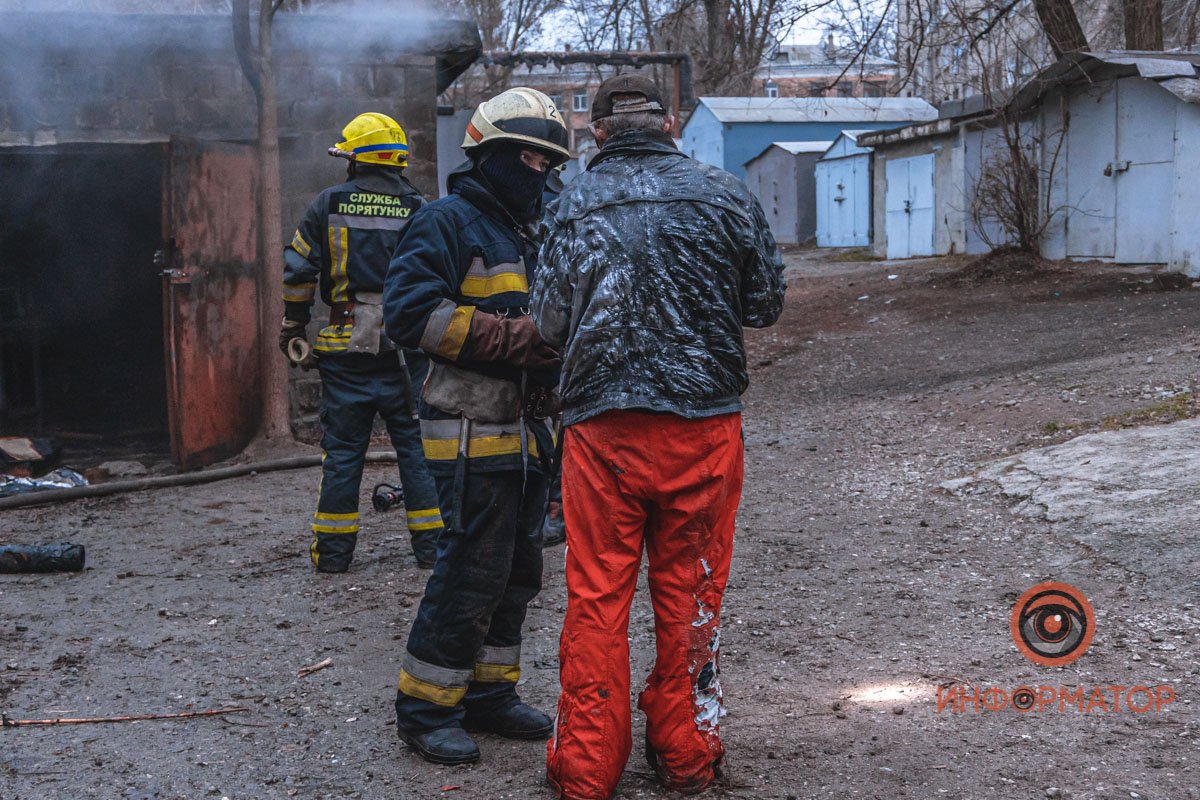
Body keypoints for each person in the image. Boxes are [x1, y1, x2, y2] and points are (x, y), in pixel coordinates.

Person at [532, 75, 787, 799]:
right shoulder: (723, 193)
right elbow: (765, 304)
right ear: (672, 121)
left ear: (600, 131)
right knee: (692, 592)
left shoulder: (570, 202)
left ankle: (585, 769)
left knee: (597, 597)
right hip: (702, 428)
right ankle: (686, 755)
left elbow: (549, 324)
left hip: (602, 431)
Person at [382, 88, 568, 766]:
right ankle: (426, 709)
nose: (538, 172)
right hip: (467, 434)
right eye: (527, 157)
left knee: (518, 574)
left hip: (528, 438)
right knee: (469, 573)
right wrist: (518, 341)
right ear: (487, 155)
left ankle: (490, 694)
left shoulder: (536, 230)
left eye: (549, 161)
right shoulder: (446, 222)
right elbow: (409, 314)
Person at [281, 112, 445, 573]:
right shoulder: (422, 209)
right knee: (417, 447)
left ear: (355, 159)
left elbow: (297, 272)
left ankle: (333, 556)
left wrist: (293, 327)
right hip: (409, 352)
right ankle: (431, 551)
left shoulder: (328, 204)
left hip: (344, 350)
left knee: (344, 452)